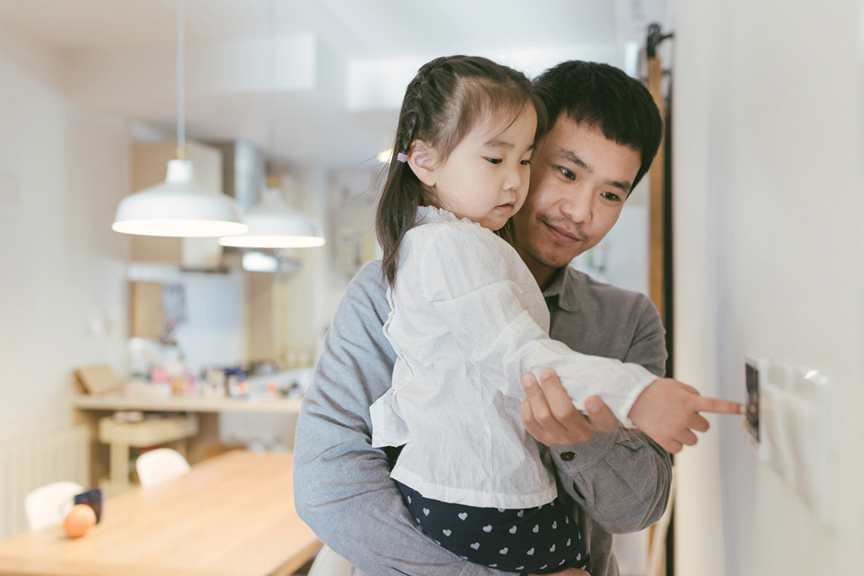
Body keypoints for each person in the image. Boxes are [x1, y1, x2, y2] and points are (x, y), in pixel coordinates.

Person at [294, 59, 742, 576]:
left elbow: (637, 509)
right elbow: (328, 482)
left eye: (612, 194)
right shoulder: (387, 290)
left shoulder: (626, 319)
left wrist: (584, 439)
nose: (580, 211)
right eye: (565, 172)